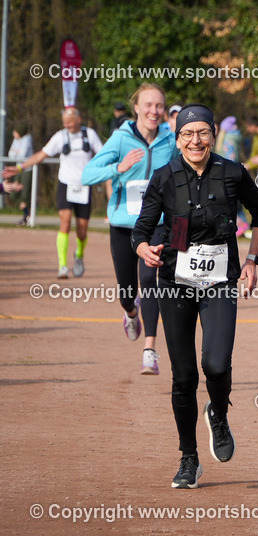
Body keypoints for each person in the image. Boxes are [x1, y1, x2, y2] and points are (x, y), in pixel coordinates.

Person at [132, 104, 258, 489]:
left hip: (221, 282)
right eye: (187, 134)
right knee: (184, 377)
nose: (196, 140)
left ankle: (219, 415)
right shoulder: (164, 177)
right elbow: (140, 230)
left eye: (203, 133)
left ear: (213, 135)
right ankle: (188, 458)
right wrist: (145, 250)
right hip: (175, 282)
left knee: (217, 365)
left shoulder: (231, 172)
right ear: (177, 140)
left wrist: (253, 260)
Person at [81, 83, 177, 374]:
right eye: (148, 105)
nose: (154, 111)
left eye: (159, 105)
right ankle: (131, 312)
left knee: (150, 279)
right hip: (123, 225)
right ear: (136, 107)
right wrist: (118, 169)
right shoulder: (121, 138)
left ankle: (150, 350)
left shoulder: (170, 140)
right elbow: (88, 174)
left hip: (156, 224)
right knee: (127, 291)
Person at [5, 107, 102, 278]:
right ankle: (62, 266)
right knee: (64, 222)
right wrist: (20, 168)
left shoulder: (90, 135)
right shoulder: (60, 136)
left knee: (82, 231)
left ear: (78, 120)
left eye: (70, 123)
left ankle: (79, 255)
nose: (68, 126)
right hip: (65, 184)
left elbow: (103, 155)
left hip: (84, 186)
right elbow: (41, 155)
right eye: (65, 123)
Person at [7, 126, 33, 225]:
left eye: (15, 131)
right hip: (18, 169)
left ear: (20, 132)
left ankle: (27, 217)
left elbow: (23, 155)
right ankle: (26, 212)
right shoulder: (16, 140)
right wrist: (16, 153)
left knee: (25, 194)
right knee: (13, 194)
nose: (14, 133)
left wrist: (16, 152)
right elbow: (10, 154)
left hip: (27, 170)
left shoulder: (27, 139)